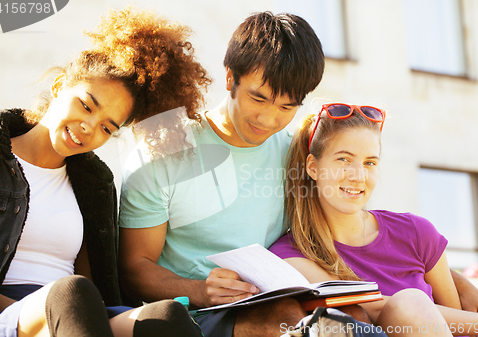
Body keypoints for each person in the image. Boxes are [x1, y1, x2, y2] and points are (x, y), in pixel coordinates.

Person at [0, 6, 210, 337]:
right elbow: (73, 295)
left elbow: (92, 283)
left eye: (107, 128)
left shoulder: (95, 182)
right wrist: (52, 314)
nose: (88, 128)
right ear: (60, 85)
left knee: (167, 317)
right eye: (86, 105)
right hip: (7, 313)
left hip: (77, 313)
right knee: (70, 294)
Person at [118, 11, 334, 337]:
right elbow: (134, 267)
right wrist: (200, 290)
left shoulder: (295, 154)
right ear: (231, 78)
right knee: (283, 319)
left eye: (286, 107)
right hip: (187, 315)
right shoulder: (162, 150)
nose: (268, 118)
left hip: (271, 301)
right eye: (258, 97)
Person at [270, 103, 478, 335]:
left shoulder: (416, 232)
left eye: (370, 163)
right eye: (344, 159)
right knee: (410, 303)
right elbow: (375, 308)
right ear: (313, 167)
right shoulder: (290, 256)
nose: (358, 176)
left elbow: (459, 327)